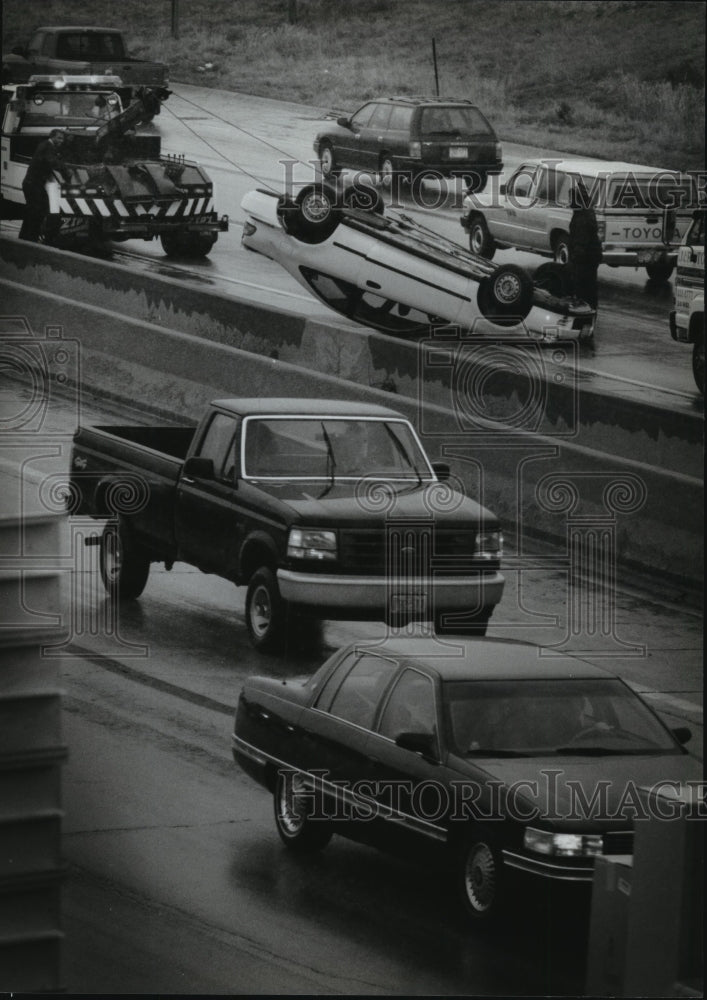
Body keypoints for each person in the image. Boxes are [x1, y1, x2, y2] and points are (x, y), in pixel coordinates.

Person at [18, 129, 68, 243]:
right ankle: (30, 237)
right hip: (33, 184)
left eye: (63, 139)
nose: (62, 141)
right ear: (52, 137)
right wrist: (66, 171)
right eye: (59, 138)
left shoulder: (47, 146)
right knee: (38, 209)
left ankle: (26, 237)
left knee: (35, 209)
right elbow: (52, 162)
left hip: (33, 184)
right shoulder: (47, 146)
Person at [567, 179, 602, 311]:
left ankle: (586, 311)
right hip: (591, 257)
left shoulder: (582, 218)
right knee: (590, 287)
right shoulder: (586, 212)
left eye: (572, 198)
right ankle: (590, 309)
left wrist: (574, 261)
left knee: (583, 288)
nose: (570, 202)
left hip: (585, 259)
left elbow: (580, 243)